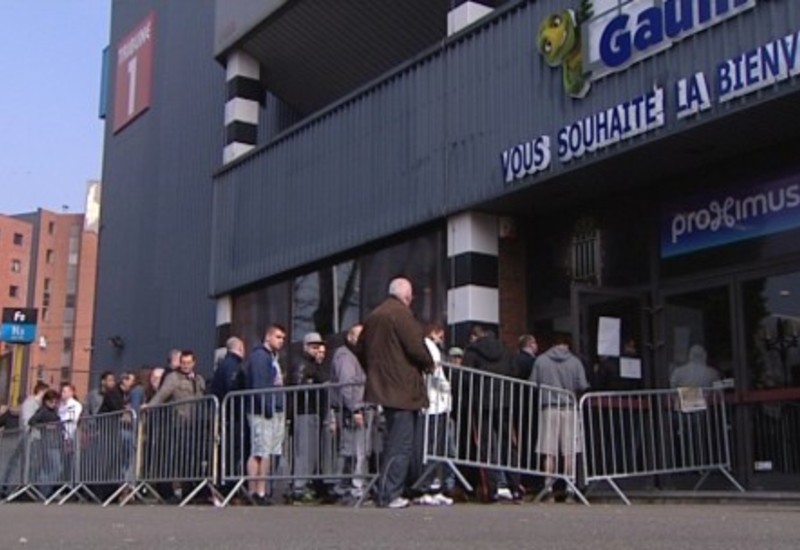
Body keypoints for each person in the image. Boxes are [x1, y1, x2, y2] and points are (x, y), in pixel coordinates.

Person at [358, 277, 434, 509]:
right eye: (411, 296)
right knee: (401, 444)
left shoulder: (374, 316)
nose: (411, 300)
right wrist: (429, 363)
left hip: (384, 387)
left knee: (394, 441)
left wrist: (374, 371)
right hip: (402, 388)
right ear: (406, 295)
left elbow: (360, 349)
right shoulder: (400, 314)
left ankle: (389, 491)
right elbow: (415, 346)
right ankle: (390, 493)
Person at [462, 324, 521, 501]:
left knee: (485, 445)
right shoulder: (506, 349)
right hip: (504, 401)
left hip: (481, 403)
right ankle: (515, 487)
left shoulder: (472, 351)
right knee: (508, 443)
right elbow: (515, 372)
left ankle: (490, 489)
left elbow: (466, 377)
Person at [530, 333, 590, 503]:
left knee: (549, 452)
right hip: (570, 408)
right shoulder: (575, 361)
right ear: (567, 344)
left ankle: (548, 489)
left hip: (548, 408)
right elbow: (582, 385)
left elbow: (533, 383)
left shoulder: (541, 360)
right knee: (569, 451)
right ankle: (569, 490)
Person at [148, 350, 208, 504]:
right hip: (178, 424)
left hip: (195, 424)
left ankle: (191, 492)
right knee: (177, 458)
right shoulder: (174, 378)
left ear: (194, 363)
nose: (186, 366)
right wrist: (149, 407)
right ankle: (169, 492)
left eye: (188, 363)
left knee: (192, 459)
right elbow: (162, 394)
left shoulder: (199, 379)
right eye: (183, 363)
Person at [329, 323, 374, 502]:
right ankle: (349, 487)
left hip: (361, 407)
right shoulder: (345, 356)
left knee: (358, 450)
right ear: (349, 337)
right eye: (358, 336)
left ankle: (347, 486)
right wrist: (355, 409)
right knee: (354, 450)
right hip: (354, 409)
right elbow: (347, 385)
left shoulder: (358, 356)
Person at [243, 324, 287, 505]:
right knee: (260, 451)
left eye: (283, 338)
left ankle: (261, 491)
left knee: (268, 451)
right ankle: (256, 491)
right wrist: (267, 407)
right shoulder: (260, 357)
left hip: (274, 409)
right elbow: (260, 385)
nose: (281, 341)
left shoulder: (272, 357)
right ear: (268, 337)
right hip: (263, 411)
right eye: (278, 337)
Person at [415, 323, 454, 506]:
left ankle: (433, 486)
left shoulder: (425, 346)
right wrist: (448, 388)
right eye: (441, 335)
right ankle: (428, 486)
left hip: (434, 404)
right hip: (435, 404)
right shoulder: (431, 348)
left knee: (434, 448)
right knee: (432, 448)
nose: (442, 339)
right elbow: (436, 373)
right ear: (435, 333)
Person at [289, 331, 329, 502]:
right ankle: (299, 487)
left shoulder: (314, 365)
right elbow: (299, 386)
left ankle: (305, 485)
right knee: (304, 451)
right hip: (305, 412)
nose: (317, 350)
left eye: (319, 346)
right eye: (313, 347)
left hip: (314, 411)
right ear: (305, 347)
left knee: (311, 451)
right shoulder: (302, 364)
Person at [0, 382, 49, 497]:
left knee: (29, 464)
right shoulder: (30, 403)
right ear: (42, 391)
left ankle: (20, 488)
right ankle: (9, 488)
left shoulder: (39, 405)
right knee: (21, 464)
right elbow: (27, 422)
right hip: (29, 438)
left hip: (35, 438)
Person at [29, 389, 64, 498]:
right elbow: (32, 422)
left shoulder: (53, 411)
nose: (54, 404)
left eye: (55, 402)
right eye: (52, 402)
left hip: (54, 442)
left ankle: (44, 490)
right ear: (46, 401)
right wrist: (46, 427)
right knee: (56, 467)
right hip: (48, 443)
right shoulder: (43, 411)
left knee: (50, 468)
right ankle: (44, 489)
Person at [211, 337, 245, 401]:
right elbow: (232, 386)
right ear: (240, 348)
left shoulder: (224, 364)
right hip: (230, 407)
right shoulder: (233, 365)